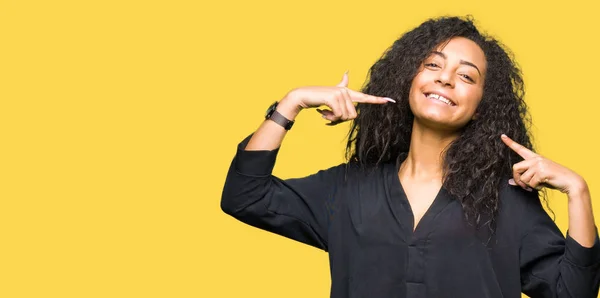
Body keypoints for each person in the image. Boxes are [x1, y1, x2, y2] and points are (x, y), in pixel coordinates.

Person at [220, 16, 600, 298]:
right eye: (433, 65)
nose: (445, 79)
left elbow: (573, 293)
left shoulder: (506, 201)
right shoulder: (348, 188)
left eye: (466, 76)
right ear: (409, 80)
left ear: (482, 107)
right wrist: (292, 102)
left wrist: (578, 191)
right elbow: (244, 196)